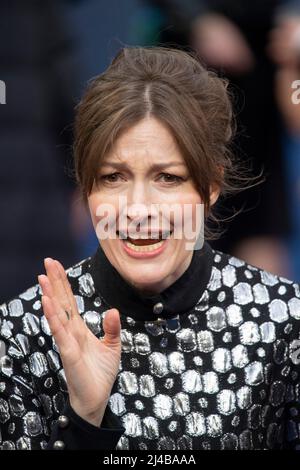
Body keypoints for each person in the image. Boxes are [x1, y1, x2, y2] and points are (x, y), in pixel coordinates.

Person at [1, 46, 300, 451]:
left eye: (168, 178)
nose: (138, 209)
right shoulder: (20, 336)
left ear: (210, 185)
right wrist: (85, 422)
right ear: (85, 188)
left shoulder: (284, 323)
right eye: (113, 177)